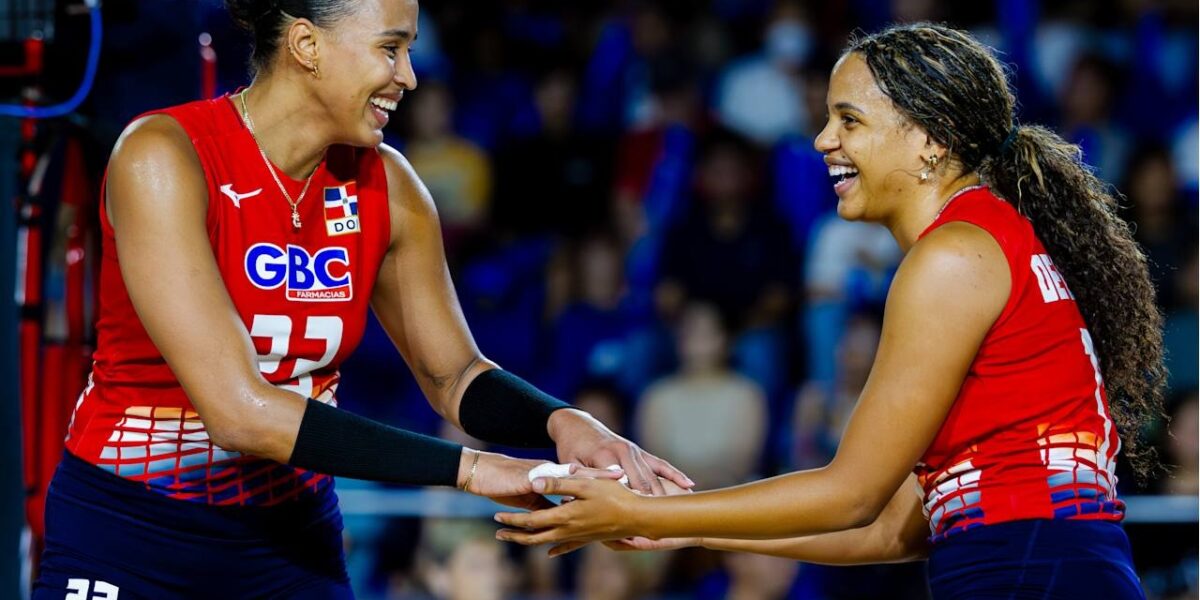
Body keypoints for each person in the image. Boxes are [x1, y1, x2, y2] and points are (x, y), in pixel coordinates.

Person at [33, 1, 691, 598]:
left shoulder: (390, 185)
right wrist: (470, 469)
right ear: (307, 45)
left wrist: (563, 423)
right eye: (390, 48)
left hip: (289, 539)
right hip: (132, 532)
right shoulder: (163, 155)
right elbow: (240, 413)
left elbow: (455, 376)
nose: (409, 77)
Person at [495, 23, 1165, 599]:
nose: (822, 140)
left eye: (849, 120)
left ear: (929, 139)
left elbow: (852, 494)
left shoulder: (953, 257)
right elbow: (888, 528)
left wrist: (647, 513)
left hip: (1030, 572)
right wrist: (684, 522)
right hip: (1045, 566)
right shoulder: (989, 241)